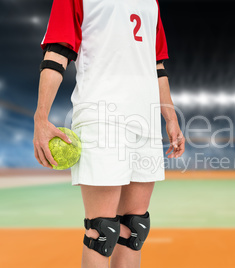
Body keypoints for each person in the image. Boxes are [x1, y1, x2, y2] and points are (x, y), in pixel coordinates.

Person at [32, 0, 185, 267]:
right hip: (101, 116)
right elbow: (57, 52)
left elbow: (157, 65)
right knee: (101, 231)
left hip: (145, 120)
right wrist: (41, 116)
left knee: (134, 228)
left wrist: (170, 117)